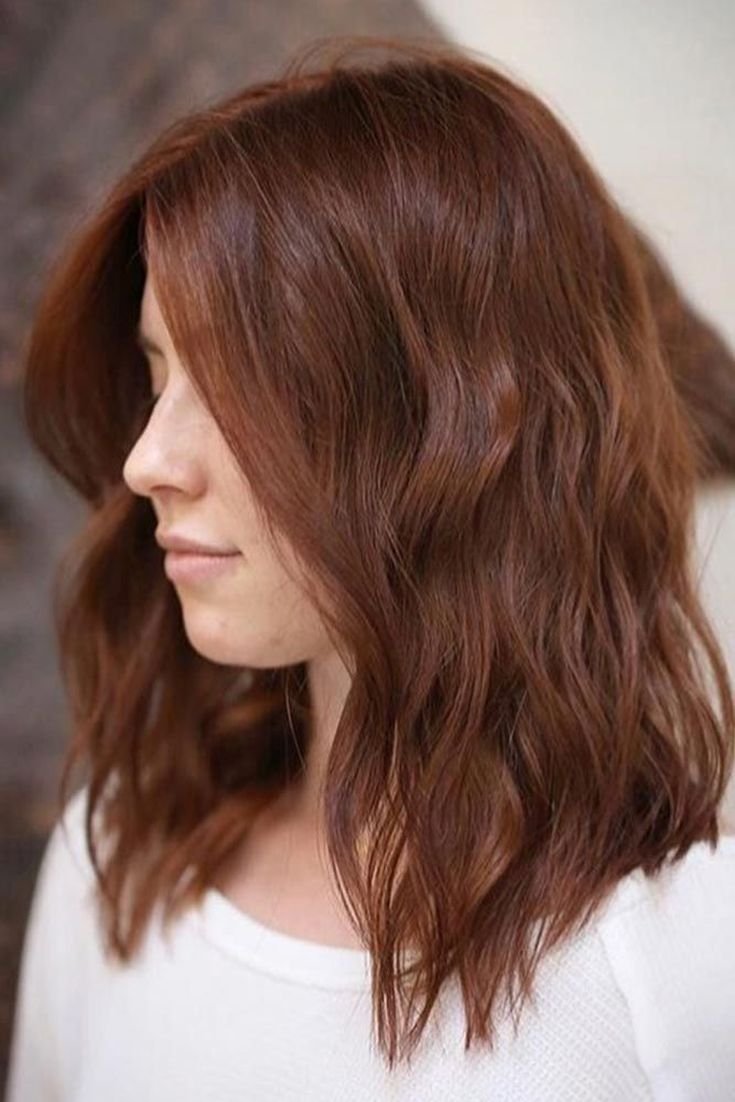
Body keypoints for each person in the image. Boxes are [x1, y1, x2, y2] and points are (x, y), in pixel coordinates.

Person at [6, 34, 735, 1102]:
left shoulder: (683, 965)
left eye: (241, 385)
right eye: (160, 375)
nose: (147, 461)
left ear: (467, 421)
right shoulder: (118, 860)